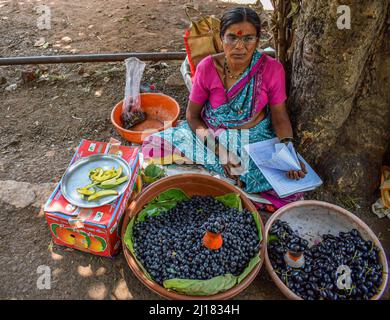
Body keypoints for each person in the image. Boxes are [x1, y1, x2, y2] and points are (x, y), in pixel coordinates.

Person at [142, 7, 307, 210]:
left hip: (253, 138)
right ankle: (229, 182)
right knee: (153, 146)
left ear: (257, 41)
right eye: (232, 38)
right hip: (212, 134)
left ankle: (221, 181)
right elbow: (193, 117)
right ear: (221, 39)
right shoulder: (207, 67)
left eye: (248, 38)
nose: (239, 46)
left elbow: (280, 116)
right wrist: (221, 151)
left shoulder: (272, 69)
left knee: (290, 186)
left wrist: (287, 149)